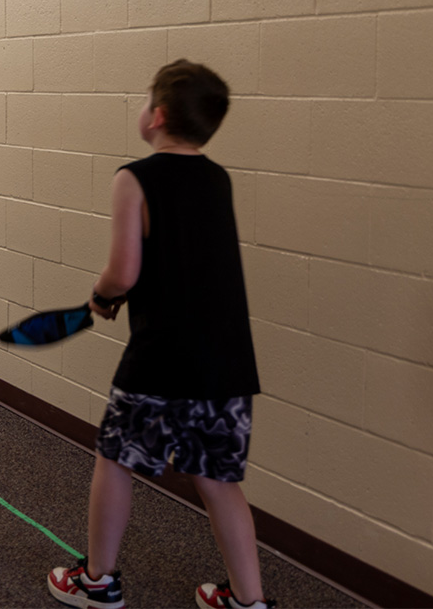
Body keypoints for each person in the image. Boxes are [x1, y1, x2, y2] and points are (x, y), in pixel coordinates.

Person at [46, 60, 275, 609]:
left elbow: (124, 272)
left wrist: (102, 297)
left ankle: (97, 581)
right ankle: (249, 601)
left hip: (161, 359)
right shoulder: (218, 178)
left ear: (159, 115)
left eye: (146, 99)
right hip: (226, 362)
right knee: (218, 478)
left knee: (117, 459)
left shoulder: (135, 177)